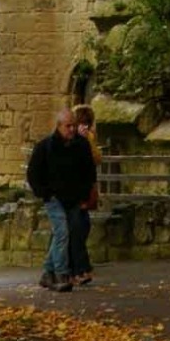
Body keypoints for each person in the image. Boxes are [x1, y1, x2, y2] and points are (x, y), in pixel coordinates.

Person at [24, 108, 95, 292]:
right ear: (59, 126)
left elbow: (89, 172)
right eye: (68, 126)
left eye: (74, 125)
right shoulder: (45, 147)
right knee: (62, 232)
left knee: (64, 233)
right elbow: (33, 174)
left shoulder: (82, 145)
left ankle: (48, 273)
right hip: (53, 197)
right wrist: (45, 193)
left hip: (74, 198)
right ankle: (62, 273)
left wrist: (85, 195)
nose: (72, 129)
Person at [66, 105, 100, 282]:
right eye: (82, 123)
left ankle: (78, 269)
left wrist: (89, 141)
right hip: (72, 193)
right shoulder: (69, 141)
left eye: (88, 123)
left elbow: (96, 160)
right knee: (76, 230)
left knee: (82, 228)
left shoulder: (87, 140)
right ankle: (78, 270)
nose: (85, 127)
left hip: (84, 191)